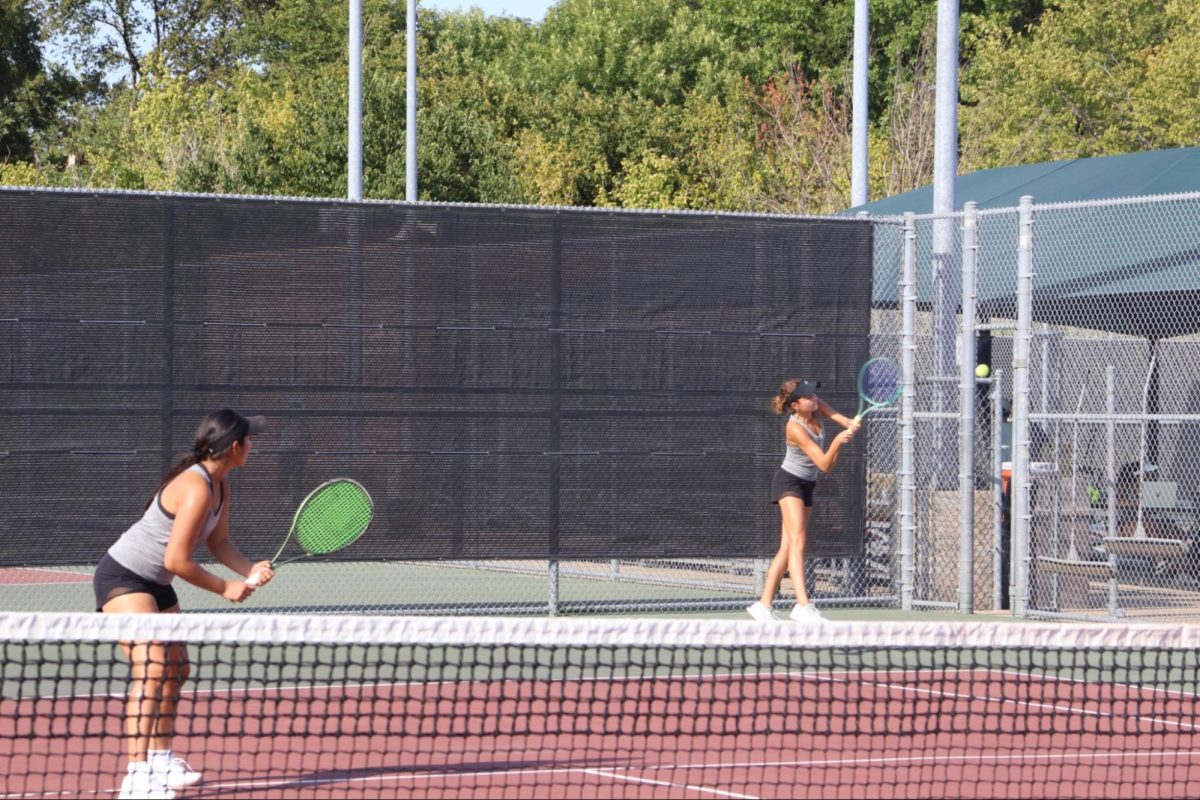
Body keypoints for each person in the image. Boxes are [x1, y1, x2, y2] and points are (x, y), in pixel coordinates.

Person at [93, 409, 275, 799]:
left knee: (177, 668)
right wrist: (225, 587)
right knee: (154, 667)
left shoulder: (220, 485)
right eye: (249, 440)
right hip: (124, 577)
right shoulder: (195, 487)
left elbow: (218, 543)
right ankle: (137, 776)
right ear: (235, 447)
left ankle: (160, 758)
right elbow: (177, 560)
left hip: (155, 583)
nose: (253, 446)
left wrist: (249, 570)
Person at [747, 379, 858, 624]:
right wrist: (839, 441)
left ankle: (763, 605)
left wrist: (847, 422)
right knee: (798, 541)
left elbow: (832, 413)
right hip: (789, 484)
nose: (814, 399)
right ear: (795, 405)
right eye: (808, 396)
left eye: (814, 394)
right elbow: (825, 465)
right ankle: (802, 605)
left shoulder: (815, 408)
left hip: (807, 484)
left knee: (787, 547)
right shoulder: (794, 428)